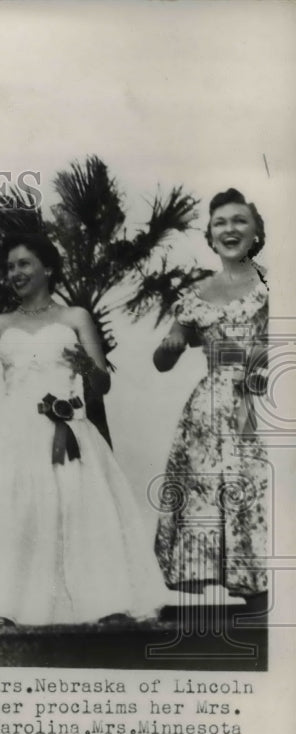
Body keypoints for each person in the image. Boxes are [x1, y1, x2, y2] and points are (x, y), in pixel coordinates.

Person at [0, 233, 166, 625]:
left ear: (47, 268)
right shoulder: (0, 323)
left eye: (24, 264)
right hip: (16, 433)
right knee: (17, 513)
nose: (14, 273)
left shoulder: (75, 317)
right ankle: (12, 605)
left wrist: (86, 367)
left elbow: (102, 383)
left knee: (80, 509)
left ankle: (101, 603)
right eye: (10, 267)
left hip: (67, 428)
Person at [153, 189, 269, 613]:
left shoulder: (275, 283)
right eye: (220, 222)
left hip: (263, 399)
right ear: (210, 234)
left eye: (239, 220)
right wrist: (170, 343)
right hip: (208, 411)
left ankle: (267, 602)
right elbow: (164, 357)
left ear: (256, 231)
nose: (230, 229)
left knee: (258, 492)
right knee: (215, 496)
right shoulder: (196, 293)